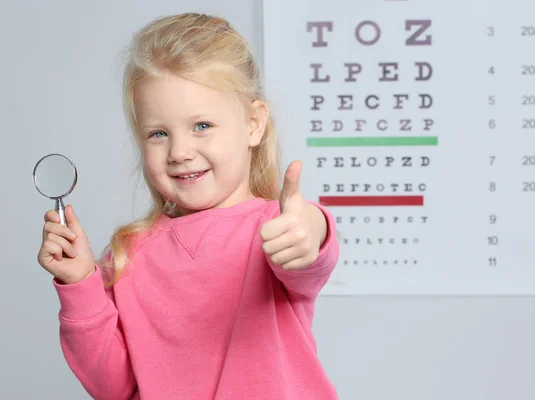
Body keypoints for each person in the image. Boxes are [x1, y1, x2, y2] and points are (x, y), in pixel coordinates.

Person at [37, 12, 339, 400]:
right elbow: (114, 387)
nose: (179, 152)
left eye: (201, 126)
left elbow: (311, 250)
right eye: (158, 133)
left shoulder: (276, 229)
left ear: (252, 124)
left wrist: (310, 228)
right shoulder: (130, 256)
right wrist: (80, 283)